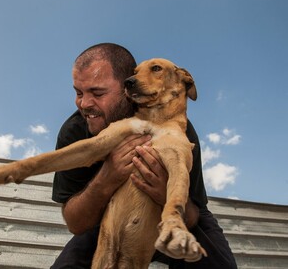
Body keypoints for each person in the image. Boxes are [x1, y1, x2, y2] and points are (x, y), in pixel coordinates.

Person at [51, 43, 237, 269]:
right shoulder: (75, 131)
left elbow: (194, 214)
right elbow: (76, 223)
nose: (84, 104)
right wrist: (106, 178)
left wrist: (165, 195)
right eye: (79, 93)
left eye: (98, 93)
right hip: (112, 218)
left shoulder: (177, 130)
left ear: (127, 88)